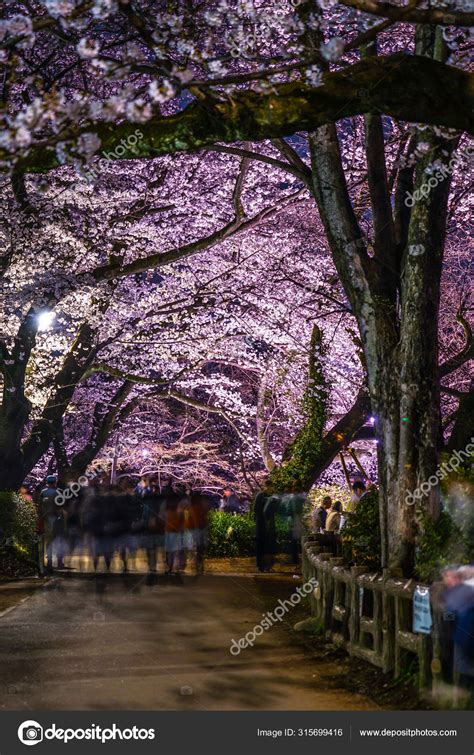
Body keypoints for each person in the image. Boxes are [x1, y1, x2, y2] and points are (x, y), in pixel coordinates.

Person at [39, 475, 66, 573]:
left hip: (47, 518)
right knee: (59, 539)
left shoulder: (43, 492)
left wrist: (42, 516)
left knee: (49, 541)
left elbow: (40, 506)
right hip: (58, 518)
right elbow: (63, 505)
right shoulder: (60, 492)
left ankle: (49, 561)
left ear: (47, 482)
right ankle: (59, 560)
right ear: (55, 482)